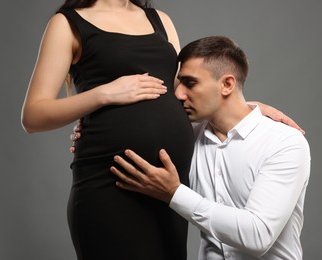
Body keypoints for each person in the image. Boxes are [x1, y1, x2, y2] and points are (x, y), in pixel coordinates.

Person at [21, 0, 195, 259]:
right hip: (110, 185)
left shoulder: (160, 20)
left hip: (167, 186)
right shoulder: (68, 23)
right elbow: (32, 116)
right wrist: (105, 93)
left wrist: (243, 107)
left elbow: (186, 94)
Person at [110, 36, 311, 260]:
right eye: (178, 84)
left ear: (227, 84)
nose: (178, 94)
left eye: (190, 83)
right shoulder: (188, 140)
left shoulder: (284, 142)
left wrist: (174, 193)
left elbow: (258, 235)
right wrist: (89, 127)